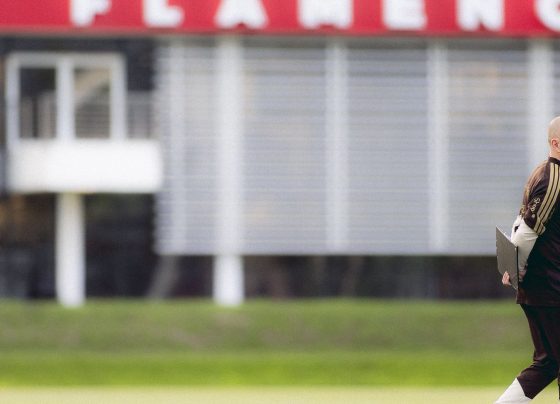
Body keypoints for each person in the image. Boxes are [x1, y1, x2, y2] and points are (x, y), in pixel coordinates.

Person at [496, 116, 560, 403]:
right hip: (549, 286)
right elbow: (528, 230)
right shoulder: (553, 179)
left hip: (544, 285)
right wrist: (515, 267)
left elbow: (519, 222)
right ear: (556, 143)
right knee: (549, 362)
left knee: (550, 362)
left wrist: (514, 265)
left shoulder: (541, 173)